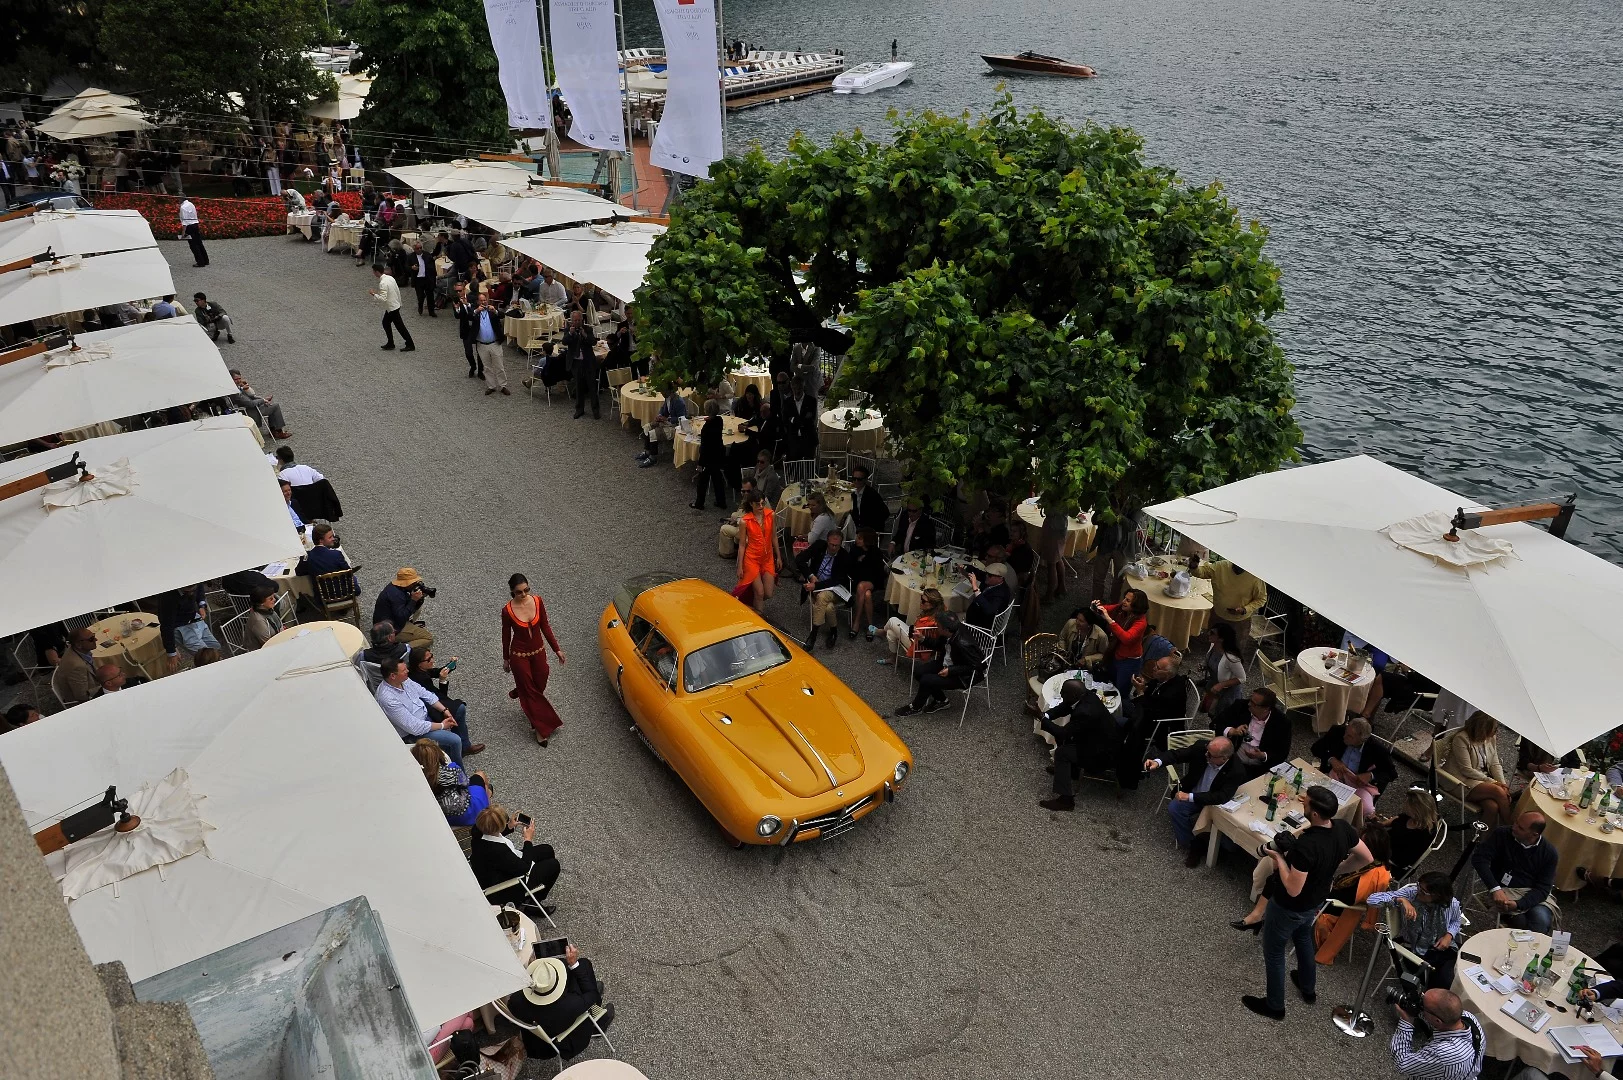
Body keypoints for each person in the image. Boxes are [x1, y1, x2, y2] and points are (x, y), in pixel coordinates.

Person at [1241, 785, 1373, 1020]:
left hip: (1289, 906)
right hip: (1316, 900)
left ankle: (1274, 1005)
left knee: (1274, 952)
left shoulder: (1307, 846)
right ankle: (1307, 987)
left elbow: (1292, 888)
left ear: (1313, 813)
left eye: (1306, 801)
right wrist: (1335, 871)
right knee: (1303, 937)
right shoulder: (1342, 828)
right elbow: (1366, 857)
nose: (1303, 802)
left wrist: (1279, 858)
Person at [1143, 736, 1245, 862]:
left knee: (1228, 839)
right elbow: (1176, 754)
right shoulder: (1201, 748)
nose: (1206, 754)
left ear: (1224, 758)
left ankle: (1221, 849)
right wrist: (1157, 762)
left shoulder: (1236, 770)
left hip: (1214, 802)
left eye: (1210, 754)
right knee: (1175, 808)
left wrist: (1189, 797)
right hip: (1194, 792)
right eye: (1207, 750)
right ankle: (1191, 844)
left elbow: (1222, 796)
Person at [505, 950, 615, 1062]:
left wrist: (538, 976)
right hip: (566, 1037)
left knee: (581, 972)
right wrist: (574, 965)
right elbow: (593, 996)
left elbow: (511, 1005)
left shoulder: (516, 1000)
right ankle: (598, 1024)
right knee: (583, 965)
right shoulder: (571, 1004)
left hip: (536, 1041)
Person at [1364, 872, 1464, 990]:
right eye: (1418, 886)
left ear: (1437, 896)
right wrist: (1401, 900)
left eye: (1423, 892)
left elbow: (1456, 921)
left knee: (1463, 969)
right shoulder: (1411, 894)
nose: (1418, 891)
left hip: (1445, 947)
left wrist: (1449, 935)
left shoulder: (1451, 904)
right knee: (1448, 981)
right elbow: (1371, 900)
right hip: (1416, 951)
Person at [503, 573, 565, 746]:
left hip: (538, 652)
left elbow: (545, 626)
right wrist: (506, 659)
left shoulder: (537, 601)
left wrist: (557, 649)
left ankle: (521, 692)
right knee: (530, 691)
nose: (523, 594)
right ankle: (540, 729)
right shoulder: (507, 610)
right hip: (519, 656)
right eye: (519, 592)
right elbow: (506, 636)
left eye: (526, 590)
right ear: (512, 592)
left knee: (540, 682)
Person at [1039, 678, 1120, 811]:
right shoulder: (1086, 695)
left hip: (1101, 753)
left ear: (1074, 696)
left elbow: (1063, 733)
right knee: (1065, 742)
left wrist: (1041, 719)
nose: (1061, 694)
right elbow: (1065, 706)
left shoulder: (1085, 712)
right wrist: (1046, 715)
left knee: (1062, 753)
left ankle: (1066, 800)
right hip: (1098, 739)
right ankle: (1068, 771)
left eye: (1063, 693)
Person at [375, 657, 476, 764]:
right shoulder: (387, 699)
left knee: (459, 709)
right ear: (393, 676)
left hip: (425, 716)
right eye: (404, 670)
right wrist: (442, 725)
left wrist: (445, 711)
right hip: (412, 734)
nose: (408, 671)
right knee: (454, 741)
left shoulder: (404, 680)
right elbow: (414, 727)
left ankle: (463, 748)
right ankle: (459, 776)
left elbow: (425, 694)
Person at [1470, 811, 1558, 933]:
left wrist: (1519, 904)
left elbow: (1543, 888)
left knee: (1541, 920)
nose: (1514, 827)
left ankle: (1527, 950)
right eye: (1516, 822)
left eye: (1520, 828)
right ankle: (1525, 949)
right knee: (1521, 924)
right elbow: (1479, 859)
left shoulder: (1549, 853)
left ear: (1534, 834)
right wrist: (1495, 889)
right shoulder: (1502, 834)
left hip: (1532, 894)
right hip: (1504, 892)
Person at [892, 613, 987, 716]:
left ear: (945, 629)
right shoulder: (949, 632)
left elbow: (977, 666)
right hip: (949, 663)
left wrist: (951, 671)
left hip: (963, 676)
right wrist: (922, 638)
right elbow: (939, 645)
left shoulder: (963, 644)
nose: (936, 626)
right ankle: (942, 700)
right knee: (919, 672)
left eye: (938, 625)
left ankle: (916, 708)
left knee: (926, 680)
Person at [471, 805, 559, 912]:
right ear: (500, 826)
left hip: (497, 868)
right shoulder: (499, 851)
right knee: (554, 865)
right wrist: (528, 840)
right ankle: (532, 903)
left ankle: (534, 897)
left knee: (547, 850)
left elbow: (492, 831)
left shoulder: (477, 832)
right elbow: (524, 868)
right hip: (506, 886)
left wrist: (509, 826)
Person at [1389, 989, 1486, 1080]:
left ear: (1437, 1021)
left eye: (1422, 1005)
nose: (1420, 1003)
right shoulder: (1469, 1018)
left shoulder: (1445, 1054)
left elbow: (1402, 1063)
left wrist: (1406, 1021)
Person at [1441, 709, 1514, 828]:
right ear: (1483, 728)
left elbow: (1495, 763)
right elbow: (1466, 770)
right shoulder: (1461, 739)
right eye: (1494, 728)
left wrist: (1502, 783)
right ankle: (1509, 826)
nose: (1496, 731)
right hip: (1459, 780)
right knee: (1498, 792)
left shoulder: (1490, 738)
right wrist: (1494, 783)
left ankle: (1482, 840)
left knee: (1492, 807)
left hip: (1479, 779)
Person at [1311, 717, 1397, 816]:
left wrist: (1370, 775)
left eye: (1350, 736)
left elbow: (1391, 773)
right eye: (1346, 732)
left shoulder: (1377, 749)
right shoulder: (1338, 731)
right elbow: (1316, 748)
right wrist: (1332, 759)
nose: (1344, 737)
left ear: (1362, 740)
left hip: (1359, 784)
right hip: (1336, 774)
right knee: (1319, 799)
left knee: (1366, 810)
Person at [1195, 559, 1269, 656]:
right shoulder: (1220, 566)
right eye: (1236, 565)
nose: (1238, 568)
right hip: (1218, 616)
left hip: (1239, 622)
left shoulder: (1255, 577)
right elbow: (1202, 572)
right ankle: (1211, 663)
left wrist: (1245, 609)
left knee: (1233, 651)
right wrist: (1194, 567)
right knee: (1214, 645)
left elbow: (1261, 599)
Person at [412, 738, 488, 827]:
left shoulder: (417, 778)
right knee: (480, 775)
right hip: (464, 814)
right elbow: (466, 783)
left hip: (441, 817)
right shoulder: (451, 770)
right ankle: (490, 815)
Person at [796, 530, 852, 651]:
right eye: (831, 544)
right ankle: (834, 632)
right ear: (827, 541)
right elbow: (799, 559)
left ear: (841, 544)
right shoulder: (819, 546)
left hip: (835, 589)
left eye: (837, 545)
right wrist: (811, 576)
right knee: (829, 607)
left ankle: (813, 636)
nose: (833, 547)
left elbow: (836, 580)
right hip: (816, 583)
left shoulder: (844, 556)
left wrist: (816, 586)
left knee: (822, 597)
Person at [1218, 687, 1293, 777]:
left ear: (1266, 708)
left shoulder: (1282, 723)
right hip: (1232, 762)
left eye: (1254, 704)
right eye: (1250, 700)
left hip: (1259, 769)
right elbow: (1217, 723)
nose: (1249, 704)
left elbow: (1282, 753)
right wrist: (1232, 731)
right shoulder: (1240, 706)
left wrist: (1263, 755)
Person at [1374, 786, 1444, 880]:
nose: (1404, 805)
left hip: (1392, 861)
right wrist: (1382, 824)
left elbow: (1402, 860)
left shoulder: (1424, 834)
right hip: (1385, 845)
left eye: (1407, 804)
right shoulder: (1410, 817)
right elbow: (1398, 818)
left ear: (1417, 810)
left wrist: (1377, 846)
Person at [145, 583, 220, 671]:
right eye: (189, 590)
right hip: (181, 627)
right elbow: (166, 626)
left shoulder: (194, 583)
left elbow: (199, 588)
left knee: (216, 648)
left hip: (195, 619)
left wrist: (201, 604)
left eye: (193, 589)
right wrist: (171, 652)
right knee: (205, 659)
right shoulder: (168, 598)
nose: (192, 593)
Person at [1092, 589, 1149, 690]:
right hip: (1116, 654)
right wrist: (1096, 606)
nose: (1123, 601)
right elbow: (1106, 609)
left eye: (1128, 600)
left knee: (1121, 690)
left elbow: (1126, 638)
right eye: (1124, 598)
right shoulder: (1120, 610)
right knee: (1110, 682)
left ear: (1137, 605)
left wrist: (1109, 620)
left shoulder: (1141, 622)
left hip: (1129, 661)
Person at [882, 587, 947, 669]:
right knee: (890, 633)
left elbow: (914, 635)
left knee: (892, 620)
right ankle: (893, 659)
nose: (921, 602)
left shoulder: (928, 622)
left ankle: (881, 632)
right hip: (928, 646)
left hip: (917, 646)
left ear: (932, 605)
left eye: (923, 601)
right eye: (921, 599)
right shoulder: (940, 612)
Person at [734, 493, 778, 611]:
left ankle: (751, 605)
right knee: (760, 592)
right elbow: (742, 544)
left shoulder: (771, 515)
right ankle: (759, 619)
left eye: (762, 503)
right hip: (751, 559)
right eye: (757, 504)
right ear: (751, 504)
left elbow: (774, 536)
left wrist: (778, 556)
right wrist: (740, 566)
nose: (761, 506)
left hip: (767, 558)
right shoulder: (745, 521)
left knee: (768, 593)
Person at [373, 568, 435, 651]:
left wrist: (420, 599)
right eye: (413, 582)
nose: (416, 584)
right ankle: (400, 650)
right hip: (390, 630)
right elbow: (402, 617)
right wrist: (413, 600)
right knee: (428, 638)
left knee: (417, 608)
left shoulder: (395, 587)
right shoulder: (396, 595)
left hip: (386, 621)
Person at [277, 446, 342, 522]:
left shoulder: (282, 475)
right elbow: (322, 481)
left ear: (280, 460)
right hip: (318, 506)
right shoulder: (306, 468)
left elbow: (283, 493)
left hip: (299, 509)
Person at [846, 528, 887, 641]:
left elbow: (879, 573)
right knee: (867, 595)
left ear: (866, 540)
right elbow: (849, 569)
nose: (856, 540)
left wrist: (863, 561)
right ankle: (871, 626)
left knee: (862, 587)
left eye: (860, 538)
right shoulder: (854, 550)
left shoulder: (876, 552)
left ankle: (857, 622)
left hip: (872, 581)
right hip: (857, 580)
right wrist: (858, 561)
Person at [1200, 622, 1247, 716]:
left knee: (1220, 715)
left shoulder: (1231, 658)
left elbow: (1242, 678)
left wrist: (1221, 685)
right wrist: (1204, 666)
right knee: (1210, 710)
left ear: (1221, 639)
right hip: (1214, 686)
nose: (1208, 633)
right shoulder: (1213, 646)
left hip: (1227, 693)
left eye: (1212, 633)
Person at [690, 401, 730, 510]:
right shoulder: (719, 420)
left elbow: (704, 447)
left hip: (708, 457)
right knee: (718, 479)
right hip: (718, 454)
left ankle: (699, 503)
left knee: (702, 482)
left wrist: (700, 463)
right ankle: (721, 502)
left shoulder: (707, 428)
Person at [229, 369, 290, 440]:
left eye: (240, 378)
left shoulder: (236, 387)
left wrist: (262, 399)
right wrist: (262, 400)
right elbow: (250, 403)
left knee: (270, 406)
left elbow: (252, 394)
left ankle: (274, 430)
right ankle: (279, 431)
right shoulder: (235, 392)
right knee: (275, 406)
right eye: (236, 379)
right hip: (251, 411)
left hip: (252, 408)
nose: (239, 381)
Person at [637, 387, 688, 467]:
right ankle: (647, 452)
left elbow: (682, 419)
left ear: (669, 390)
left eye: (663, 391)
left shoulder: (678, 401)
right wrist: (660, 416)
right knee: (647, 427)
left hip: (676, 427)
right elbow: (663, 409)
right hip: (667, 422)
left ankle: (653, 458)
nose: (661, 393)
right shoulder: (667, 398)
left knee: (653, 434)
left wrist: (667, 418)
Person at [49, 627, 102, 705]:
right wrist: (104, 687)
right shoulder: (77, 666)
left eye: (93, 636)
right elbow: (82, 696)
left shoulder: (76, 649)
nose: (96, 640)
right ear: (79, 645)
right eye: (91, 639)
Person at [297, 523, 356, 590]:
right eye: (330, 537)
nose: (333, 539)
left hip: (322, 597)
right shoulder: (336, 554)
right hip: (343, 592)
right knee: (354, 579)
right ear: (321, 541)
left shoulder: (307, 557)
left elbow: (298, 572)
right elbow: (348, 573)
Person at [471, 293, 509, 395]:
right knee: (487, 367)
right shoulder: (476, 313)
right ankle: (491, 386)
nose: (483, 302)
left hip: (495, 343)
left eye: (485, 300)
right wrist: (476, 311)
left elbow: (502, 315)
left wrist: (495, 311)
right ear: (478, 302)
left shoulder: (492, 312)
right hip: (482, 344)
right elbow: (468, 316)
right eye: (481, 300)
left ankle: (503, 385)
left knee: (499, 366)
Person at [370, 265, 415, 351]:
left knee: (400, 326)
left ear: (376, 272)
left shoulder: (383, 283)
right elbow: (397, 290)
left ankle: (409, 344)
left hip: (392, 307)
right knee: (386, 323)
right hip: (395, 305)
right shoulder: (390, 278)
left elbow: (383, 298)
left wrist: (374, 294)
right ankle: (391, 343)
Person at [564, 312, 599, 419]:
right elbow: (564, 342)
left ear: (582, 319)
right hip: (576, 362)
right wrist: (570, 333)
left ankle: (596, 410)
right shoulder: (569, 330)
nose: (577, 322)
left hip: (588, 361)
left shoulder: (588, 329)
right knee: (578, 386)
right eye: (575, 320)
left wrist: (584, 335)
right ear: (572, 321)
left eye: (579, 320)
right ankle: (579, 409)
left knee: (592, 386)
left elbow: (593, 342)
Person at [963, 563, 1013, 630]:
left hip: (980, 625)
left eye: (989, 575)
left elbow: (989, 610)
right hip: (974, 612)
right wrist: (965, 567)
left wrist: (975, 587)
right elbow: (979, 573)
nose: (986, 576)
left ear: (1000, 578)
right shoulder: (991, 579)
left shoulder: (1001, 593)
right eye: (987, 573)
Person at [451, 283, 482, 379]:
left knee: (480, 351)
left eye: (460, 290)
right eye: (456, 291)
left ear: (464, 290)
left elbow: (476, 309)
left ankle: (481, 371)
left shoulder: (472, 297)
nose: (458, 293)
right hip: (466, 329)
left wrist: (466, 304)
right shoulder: (455, 300)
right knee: (468, 352)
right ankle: (473, 366)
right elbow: (457, 316)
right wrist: (457, 309)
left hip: (476, 328)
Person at [848, 463, 889, 530]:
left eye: (859, 479)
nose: (856, 481)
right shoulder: (853, 492)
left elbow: (885, 513)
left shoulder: (872, 495)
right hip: (858, 525)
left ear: (865, 480)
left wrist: (869, 528)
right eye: (854, 478)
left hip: (869, 530)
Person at [245, 583, 283, 648]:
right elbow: (268, 644)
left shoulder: (267, 609)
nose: (274, 600)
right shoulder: (258, 621)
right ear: (261, 603)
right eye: (271, 599)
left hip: (277, 639)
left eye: (274, 597)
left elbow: (280, 625)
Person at [409, 240, 436, 316]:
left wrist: (433, 278)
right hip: (418, 279)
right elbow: (406, 267)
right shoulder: (411, 257)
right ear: (414, 249)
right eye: (418, 248)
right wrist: (411, 267)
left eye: (421, 248)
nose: (420, 250)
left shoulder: (427, 255)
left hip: (427, 278)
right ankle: (420, 306)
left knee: (430, 295)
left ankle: (431, 311)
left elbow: (432, 267)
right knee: (420, 296)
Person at [178, 197, 208, 266]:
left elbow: (185, 221)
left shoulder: (182, 207)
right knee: (199, 243)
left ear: (180, 199)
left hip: (189, 227)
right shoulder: (191, 204)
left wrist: (183, 233)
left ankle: (200, 262)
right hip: (195, 224)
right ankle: (205, 260)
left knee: (193, 245)